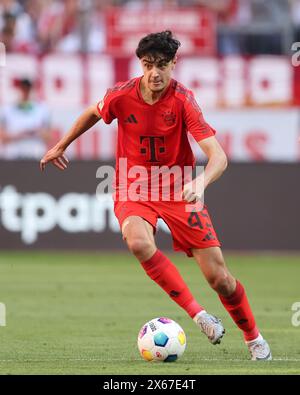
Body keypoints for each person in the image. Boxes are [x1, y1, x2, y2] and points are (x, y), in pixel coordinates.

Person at [40, 30, 271, 361]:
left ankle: (253, 337)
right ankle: (199, 315)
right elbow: (93, 112)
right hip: (133, 185)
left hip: (178, 188)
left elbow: (218, 156)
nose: (154, 73)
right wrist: (61, 145)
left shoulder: (183, 100)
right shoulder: (121, 94)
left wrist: (201, 183)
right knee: (137, 241)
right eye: (148, 65)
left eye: (162, 65)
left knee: (219, 278)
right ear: (140, 64)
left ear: (174, 64)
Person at [0, 78, 51, 159]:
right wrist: (20, 134)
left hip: (35, 153)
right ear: (19, 90)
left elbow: (48, 136)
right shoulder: (7, 110)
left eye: (27, 89)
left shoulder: (42, 110)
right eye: (23, 89)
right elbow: (2, 137)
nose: (25, 92)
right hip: (14, 154)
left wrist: (36, 132)